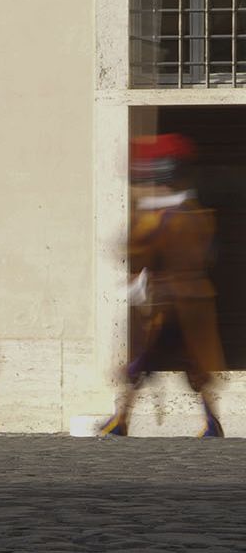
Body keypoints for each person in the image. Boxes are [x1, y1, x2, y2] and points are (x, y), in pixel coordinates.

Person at [100, 134, 226, 438]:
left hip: (166, 305)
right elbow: (210, 254)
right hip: (195, 301)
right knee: (194, 364)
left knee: (139, 364)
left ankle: (121, 420)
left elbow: (134, 251)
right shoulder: (198, 215)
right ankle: (211, 422)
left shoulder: (157, 219)